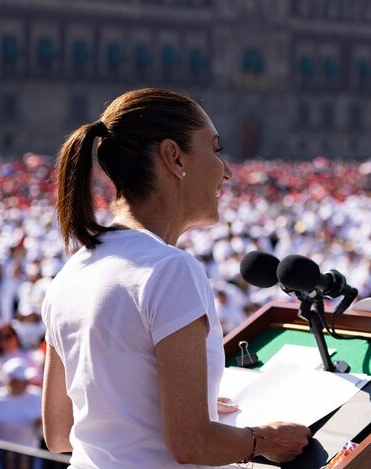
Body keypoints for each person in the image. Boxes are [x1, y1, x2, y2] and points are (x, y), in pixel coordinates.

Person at [42, 88, 310, 466]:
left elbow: (58, 431)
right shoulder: (169, 270)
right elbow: (191, 444)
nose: (227, 171)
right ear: (174, 157)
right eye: (215, 150)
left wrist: (171, 403)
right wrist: (265, 440)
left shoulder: (71, 272)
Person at [0, 359, 42, 469]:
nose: (25, 382)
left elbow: (41, 434)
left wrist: (41, 425)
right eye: (19, 380)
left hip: (29, 458)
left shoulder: (36, 396)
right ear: (10, 381)